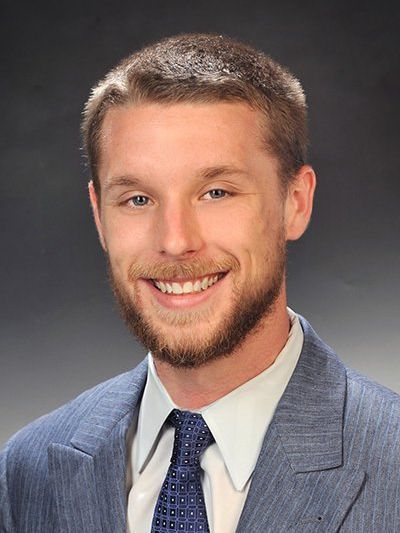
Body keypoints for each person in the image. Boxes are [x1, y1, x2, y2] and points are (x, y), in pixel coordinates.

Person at [1, 33, 399, 533]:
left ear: (295, 202)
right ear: (99, 217)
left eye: (216, 192)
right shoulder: (27, 473)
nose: (175, 241)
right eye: (138, 199)